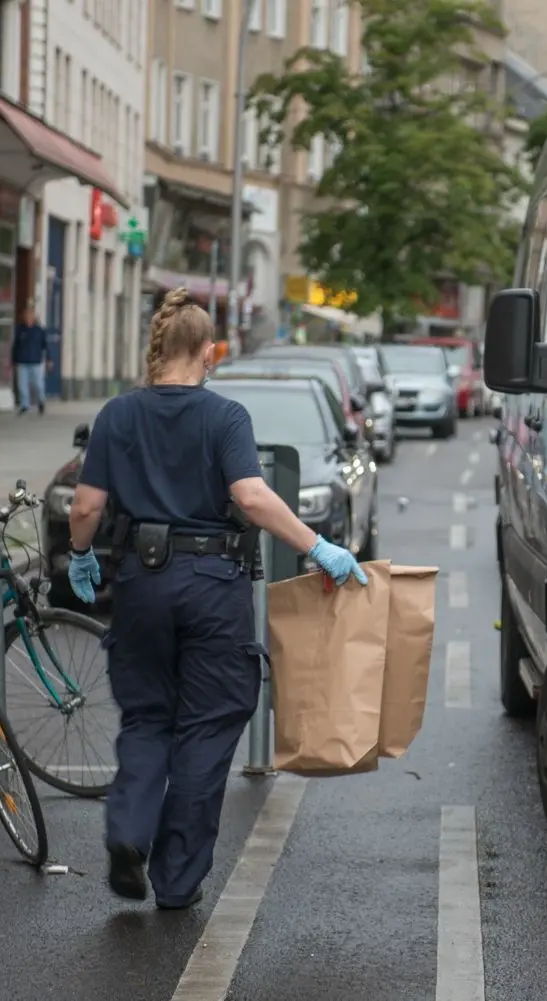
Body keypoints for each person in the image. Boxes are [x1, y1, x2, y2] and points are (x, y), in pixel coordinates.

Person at [63, 288, 367, 910]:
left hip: (142, 584)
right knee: (208, 722)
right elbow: (252, 497)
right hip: (212, 585)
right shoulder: (224, 416)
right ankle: (175, 879)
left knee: (147, 716)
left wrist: (82, 555)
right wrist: (320, 548)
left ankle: (127, 832)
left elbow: (87, 506)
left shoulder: (117, 415)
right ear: (208, 353)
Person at [11, 308, 51, 415]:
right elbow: (15, 346)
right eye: (26, 315)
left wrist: (49, 359)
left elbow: (45, 346)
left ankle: (41, 401)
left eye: (30, 315)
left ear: (34, 317)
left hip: (36, 361)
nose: (28, 317)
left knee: (38, 384)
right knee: (22, 385)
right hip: (22, 361)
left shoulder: (39, 330)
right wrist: (13, 360)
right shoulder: (20, 330)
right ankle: (25, 405)